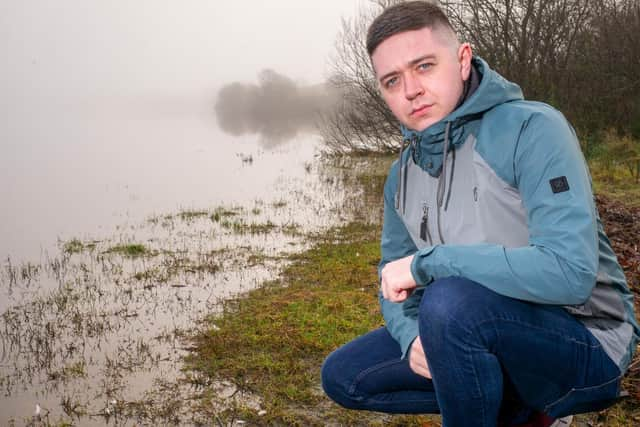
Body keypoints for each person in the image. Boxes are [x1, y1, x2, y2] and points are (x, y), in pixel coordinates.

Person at [320, 2, 639, 426]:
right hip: (467, 329)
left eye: (424, 66)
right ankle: (516, 409)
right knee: (346, 376)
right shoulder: (403, 173)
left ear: (463, 60)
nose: (410, 89)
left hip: (586, 339)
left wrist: (431, 263)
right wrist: (410, 335)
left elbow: (570, 272)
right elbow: (392, 274)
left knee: (449, 301)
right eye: (392, 80)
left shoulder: (532, 129)